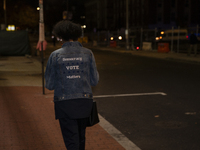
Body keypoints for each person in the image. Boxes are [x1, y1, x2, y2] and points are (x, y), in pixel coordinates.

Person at [44, 20, 99, 150]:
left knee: (71, 140)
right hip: (84, 102)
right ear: (77, 35)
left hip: (65, 104)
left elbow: (50, 85)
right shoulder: (88, 53)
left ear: (60, 37)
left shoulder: (55, 56)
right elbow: (94, 81)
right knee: (80, 138)